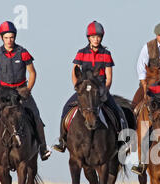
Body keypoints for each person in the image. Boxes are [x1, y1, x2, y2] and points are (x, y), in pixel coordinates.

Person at [0, 21, 51, 161]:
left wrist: (28, 90)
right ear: (1, 38)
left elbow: (32, 73)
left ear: (15, 37)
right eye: (6, 37)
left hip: (21, 90)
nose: (9, 40)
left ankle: (43, 148)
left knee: (36, 116)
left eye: (11, 37)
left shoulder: (23, 52)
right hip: (3, 92)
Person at [53, 21, 128, 153]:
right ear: (88, 38)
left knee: (117, 110)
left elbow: (109, 76)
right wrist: (77, 87)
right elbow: (74, 72)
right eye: (93, 37)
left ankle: (121, 141)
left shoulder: (106, 54)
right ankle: (63, 140)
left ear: (101, 38)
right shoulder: (81, 53)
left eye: (98, 37)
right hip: (84, 89)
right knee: (66, 107)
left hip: (100, 90)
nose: (96, 39)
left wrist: (104, 91)